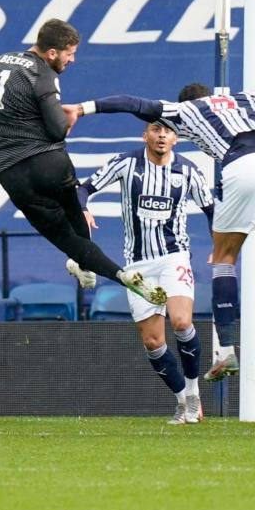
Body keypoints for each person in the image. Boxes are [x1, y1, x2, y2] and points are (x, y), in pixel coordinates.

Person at [65, 84, 255, 380]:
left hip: (242, 163)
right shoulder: (243, 98)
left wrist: (81, 108)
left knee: (225, 259)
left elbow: (132, 101)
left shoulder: (183, 111)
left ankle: (226, 353)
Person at [0, 19, 165, 305]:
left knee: (66, 238)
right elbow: (55, 129)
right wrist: (67, 118)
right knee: (75, 216)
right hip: (49, 163)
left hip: (9, 171)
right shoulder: (43, 74)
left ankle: (117, 274)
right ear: (52, 52)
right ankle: (88, 264)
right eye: (69, 53)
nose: (72, 60)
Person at [74, 120, 215, 425]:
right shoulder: (126, 163)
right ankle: (181, 402)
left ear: (176, 137)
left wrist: (222, 247)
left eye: (167, 130)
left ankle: (193, 395)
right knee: (153, 342)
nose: (162, 135)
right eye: (155, 129)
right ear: (145, 135)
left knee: (181, 321)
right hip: (137, 265)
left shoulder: (188, 170)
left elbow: (211, 209)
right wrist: (83, 208)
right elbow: (83, 189)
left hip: (173, 256)